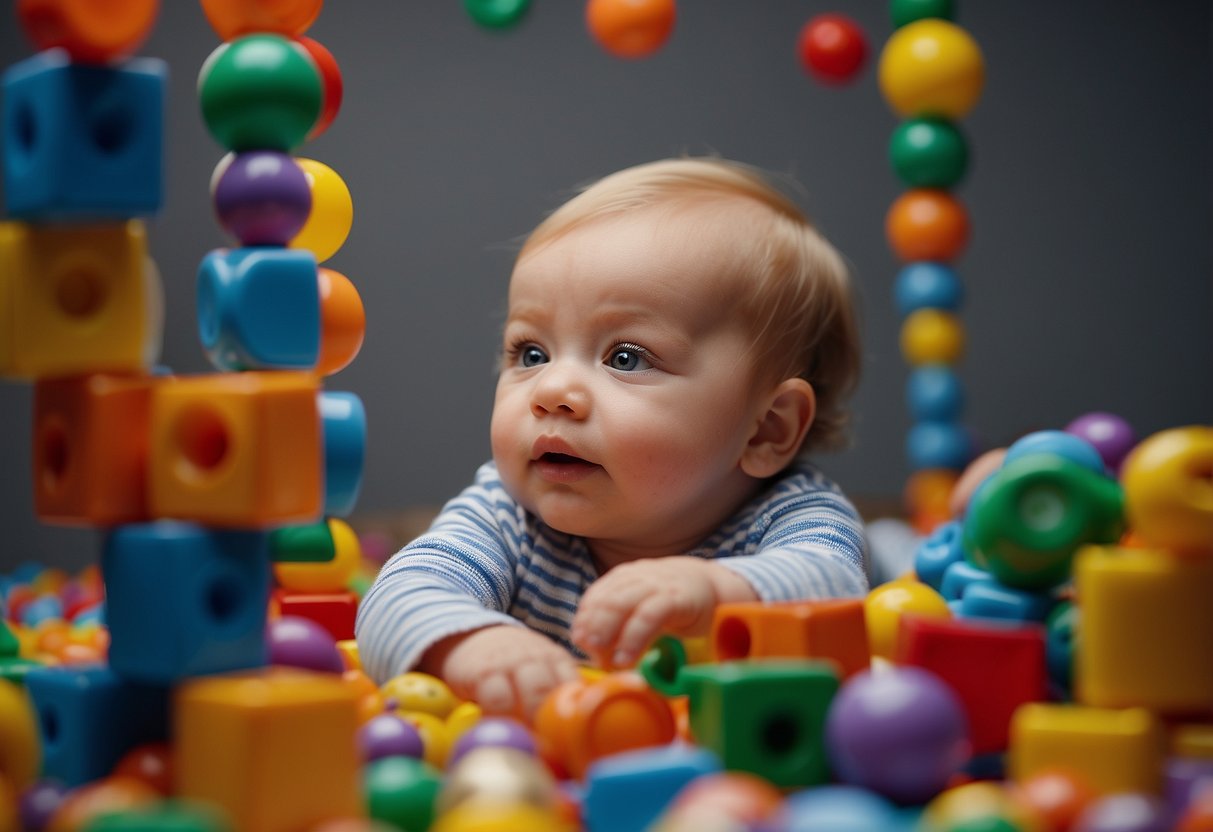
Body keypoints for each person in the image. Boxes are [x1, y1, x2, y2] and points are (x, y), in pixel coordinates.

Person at [355, 157, 869, 718]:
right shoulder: (509, 515)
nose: (552, 389)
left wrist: (717, 591)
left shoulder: (790, 515)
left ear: (767, 428)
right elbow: (399, 593)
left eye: (625, 357)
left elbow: (841, 590)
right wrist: (472, 643)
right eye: (532, 353)